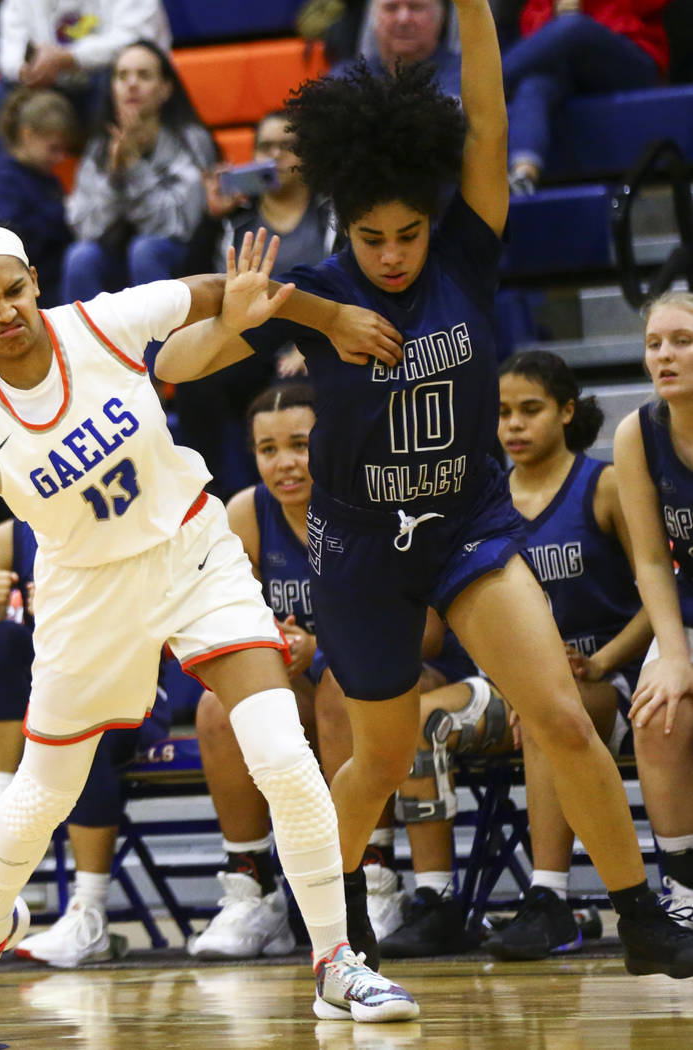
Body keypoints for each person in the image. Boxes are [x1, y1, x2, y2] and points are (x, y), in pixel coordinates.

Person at [155, 0, 693, 982]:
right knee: (383, 758)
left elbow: (486, 122)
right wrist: (234, 312)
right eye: (374, 237)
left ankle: (639, 917)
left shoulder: (463, 251)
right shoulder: (315, 289)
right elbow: (179, 367)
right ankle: (340, 918)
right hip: (361, 555)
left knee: (565, 715)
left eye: (407, 232)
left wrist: (478, 10)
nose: (395, 252)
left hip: (469, 530)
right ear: (343, 224)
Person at [0, 219, 422, 1025]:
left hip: (189, 550)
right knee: (39, 796)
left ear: (35, 281)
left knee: (282, 754)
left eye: (13, 291)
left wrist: (327, 319)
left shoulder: (101, 322)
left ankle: (336, 962)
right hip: (84, 595)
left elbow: (227, 293)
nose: (5, 311)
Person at [380, 350, 650, 959]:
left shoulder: (602, 485)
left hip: (605, 679)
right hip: (508, 683)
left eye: (531, 409)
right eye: (502, 413)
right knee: (421, 719)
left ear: (567, 412)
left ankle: (550, 897)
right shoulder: (481, 500)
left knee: (557, 715)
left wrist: (605, 660)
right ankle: (436, 900)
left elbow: (658, 594)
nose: (515, 425)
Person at [0, 514, 170, 967]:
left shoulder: (122, 518)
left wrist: (67, 607)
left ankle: (88, 916)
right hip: (46, 701)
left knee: (85, 719)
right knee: (4, 640)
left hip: (129, 689)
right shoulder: (2, 539)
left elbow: (152, 633)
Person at [186, 382, 325, 959]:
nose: (285, 462)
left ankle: (373, 878)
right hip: (294, 681)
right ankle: (252, 887)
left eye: (300, 444)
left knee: (344, 690)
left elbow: (427, 631)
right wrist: (271, 646)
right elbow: (223, 619)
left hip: (374, 679)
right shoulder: (245, 511)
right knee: (220, 705)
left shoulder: (361, 504)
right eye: (269, 449)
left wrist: (320, 645)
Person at [176, 112, 338, 497]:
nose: (277, 154)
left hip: (313, 336)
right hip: (251, 339)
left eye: (288, 145)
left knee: (291, 385)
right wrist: (211, 219)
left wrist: (310, 339)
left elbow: (344, 284)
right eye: (266, 147)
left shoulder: (331, 214)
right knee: (196, 381)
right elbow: (190, 288)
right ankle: (218, 500)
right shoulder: (235, 223)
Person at [613, 290, 693, 924]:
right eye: (654, 343)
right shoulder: (636, 434)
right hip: (684, 614)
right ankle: (685, 889)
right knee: (656, 712)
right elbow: (648, 561)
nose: (665, 355)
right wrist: (672, 653)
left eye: (683, 341)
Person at [61, 39, 216, 306]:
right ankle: (80, 347)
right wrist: (116, 174)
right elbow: (87, 228)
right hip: (117, 256)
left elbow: (175, 227)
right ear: (112, 88)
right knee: (81, 256)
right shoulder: (98, 148)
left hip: (179, 257)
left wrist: (134, 169)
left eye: (143, 75)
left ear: (165, 89)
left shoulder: (191, 141)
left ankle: (162, 348)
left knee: (144, 249)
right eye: (122, 76)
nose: (131, 83)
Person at [502, 0, 669, 194]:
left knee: (574, 26)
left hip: (631, 56)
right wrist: (555, 15)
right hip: (571, 68)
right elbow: (533, 30)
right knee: (534, 85)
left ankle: (478, 87)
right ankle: (523, 176)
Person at [0, 0, 171, 124]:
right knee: (3, 93)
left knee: (122, 76)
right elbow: (9, 52)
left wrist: (70, 58)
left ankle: (115, 169)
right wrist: (26, 70)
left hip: (103, 79)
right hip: (51, 86)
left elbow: (136, 40)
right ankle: (11, 177)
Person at [0, 88, 79, 309]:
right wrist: (63, 213)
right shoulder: (3, 181)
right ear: (27, 135)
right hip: (32, 286)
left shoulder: (48, 178)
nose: (59, 158)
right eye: (53, 148)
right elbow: (14, 237)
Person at [326, 0, 462, 97]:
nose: (403, 19)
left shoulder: (467, 79)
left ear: (440, 16)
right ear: (374, 17)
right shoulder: (345, 78)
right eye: (391, 8)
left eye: (416, 7)